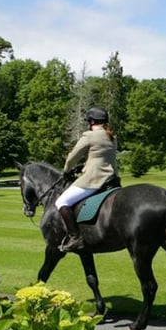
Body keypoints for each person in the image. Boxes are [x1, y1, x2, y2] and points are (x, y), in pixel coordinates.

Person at [54, 107, 118, 252]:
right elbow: (104, 158)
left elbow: (72, 157)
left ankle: (75, 236)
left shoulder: (89, 136)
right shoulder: (112, 137)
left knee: (61, 202)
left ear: (91, 122)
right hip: (111, 179)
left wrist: (66, 170)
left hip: (93, 180)